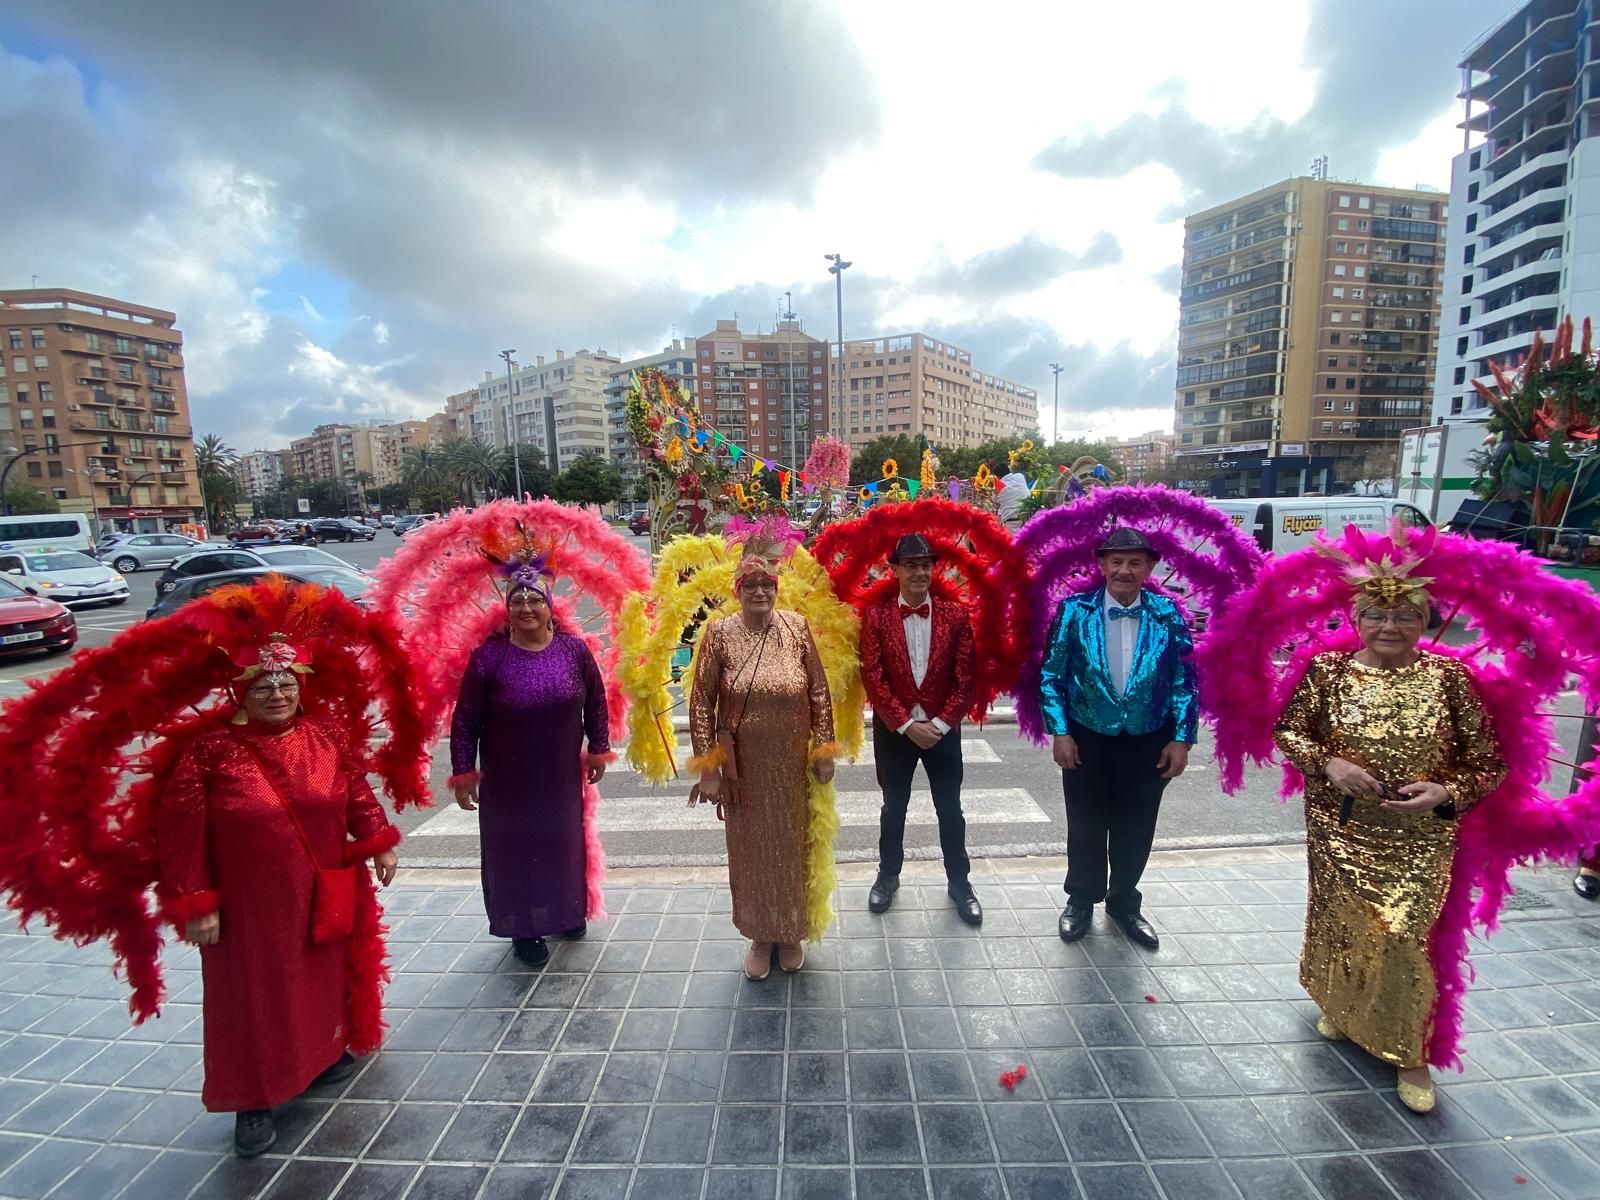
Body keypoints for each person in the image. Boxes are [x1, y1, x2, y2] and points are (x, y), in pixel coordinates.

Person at [160, 634, 403, 1157]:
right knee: (253, 997)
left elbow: (355, 789)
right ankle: (253, 1098)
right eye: (264, 684)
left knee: (319, 974)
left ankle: (322, 1054)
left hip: (321, 887)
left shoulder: (323, 733)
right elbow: (181, 833)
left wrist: (378, 841)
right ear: (238, 692)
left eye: (286, 682)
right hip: (250, 907)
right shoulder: (209, 751)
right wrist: (196, 899)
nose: (277, 693)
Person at [1274, 569, 1503, 1113]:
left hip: (1420, 839)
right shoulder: (1328, 672)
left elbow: (1490, 762)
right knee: (1342, 923)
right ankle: (1344, 1006)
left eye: (1405, 615)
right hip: (1340, 827)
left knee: (1403, 937)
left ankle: (1410, 1054)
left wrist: (1445, 790)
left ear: (1425, 621)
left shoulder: (1449, 678)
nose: (1390, 626)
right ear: (1355, 621)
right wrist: (1327, 763)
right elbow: (1289, 729)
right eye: (1376, 615)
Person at [1040, 527, 1198, 951]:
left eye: (1134, 562)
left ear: (1149, 567)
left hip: (1148, 738)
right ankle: (1081, 900)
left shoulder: (1168, 615)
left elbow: (1185, 681)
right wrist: (1060, 731)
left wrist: (1181, 738)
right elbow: (1051, 675)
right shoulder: (1074, 611)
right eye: (1116, 561)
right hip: (1087, 735)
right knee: (1086, 822)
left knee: (1137, 823)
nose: (1124, 570)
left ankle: (1125, 903)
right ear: (1101, 565)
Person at [449, 564, 611, 968]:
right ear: (507, 609)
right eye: (517, 600)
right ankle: (523, 926)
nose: (526, 607)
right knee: (516, 850)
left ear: (549, 607)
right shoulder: (489, 659)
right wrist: (464, 771)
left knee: (561, 844)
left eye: (534, 599)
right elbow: (466, 719)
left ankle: (565, 912)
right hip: (509, 778)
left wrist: (598, 747)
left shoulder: (574, 650)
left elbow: (595, 701)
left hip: (558, 774)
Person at [689, 548, 838, 980]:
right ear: (737, 591)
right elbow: (701, 702)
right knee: (751, 851)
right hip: (744, 768)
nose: (759, 592)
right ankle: (759, 935)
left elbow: (818, 692)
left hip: (792, 765)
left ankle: (790, 932)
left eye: (766, 585)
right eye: (750, 585)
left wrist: (824, 749)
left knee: (793, 847)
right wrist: (710, 768)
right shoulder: (718, 633)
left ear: (777, 588)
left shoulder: (796, 627)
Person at [858, 532, 981, 924]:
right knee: (894, 808)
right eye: (911, 565)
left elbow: (966, 678)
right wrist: (908, 724)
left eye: (926, 565)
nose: (919, 572)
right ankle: (887, 876)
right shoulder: (876, 617)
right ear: (893, 570)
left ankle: (960, 883)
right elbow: (873, 678)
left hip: (943, 731)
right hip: (896, 732)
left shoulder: (956, 615)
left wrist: (941, 724)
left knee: (951, 809)